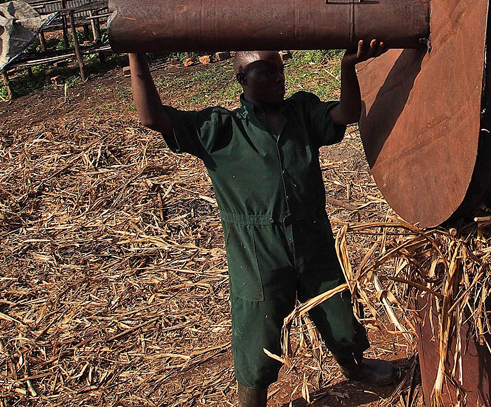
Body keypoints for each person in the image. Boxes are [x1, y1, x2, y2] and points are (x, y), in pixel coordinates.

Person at [128, 42, 394, 407]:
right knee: (258, 327)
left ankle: (355, 366)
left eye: (280, 69)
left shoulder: (300, 112)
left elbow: (346, 113)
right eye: (266, 71)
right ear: (242, 78)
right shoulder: (220, 129)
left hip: (311, 235)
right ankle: (251, 401)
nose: (278, 77)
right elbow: (152, 117)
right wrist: (136, 54)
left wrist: (349, 64)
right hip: (257, 249)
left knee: (336, 307)